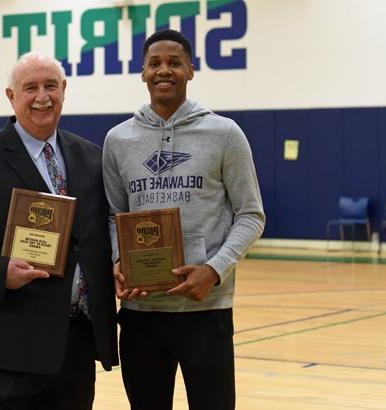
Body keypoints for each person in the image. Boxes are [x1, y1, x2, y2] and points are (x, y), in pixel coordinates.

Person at [0, 51, 118, 410]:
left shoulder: (91, 158)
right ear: (11, 96)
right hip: (2, 349)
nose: (42, 97)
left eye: (51, 86)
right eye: (30, 87)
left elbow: (98, 234)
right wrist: (0, 271)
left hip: (73, 346)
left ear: (64, 90)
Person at [102, 29, 266, 410]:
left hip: (206, 309)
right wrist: (118, 261)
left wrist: (214, 269)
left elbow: (251, 214)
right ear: (141, 72)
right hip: (141, 313)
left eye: (174, 63)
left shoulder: (225, 134)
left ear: (191, 70)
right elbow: (113, 216)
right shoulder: (118, 140)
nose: (164, 70)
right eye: (155, 63)